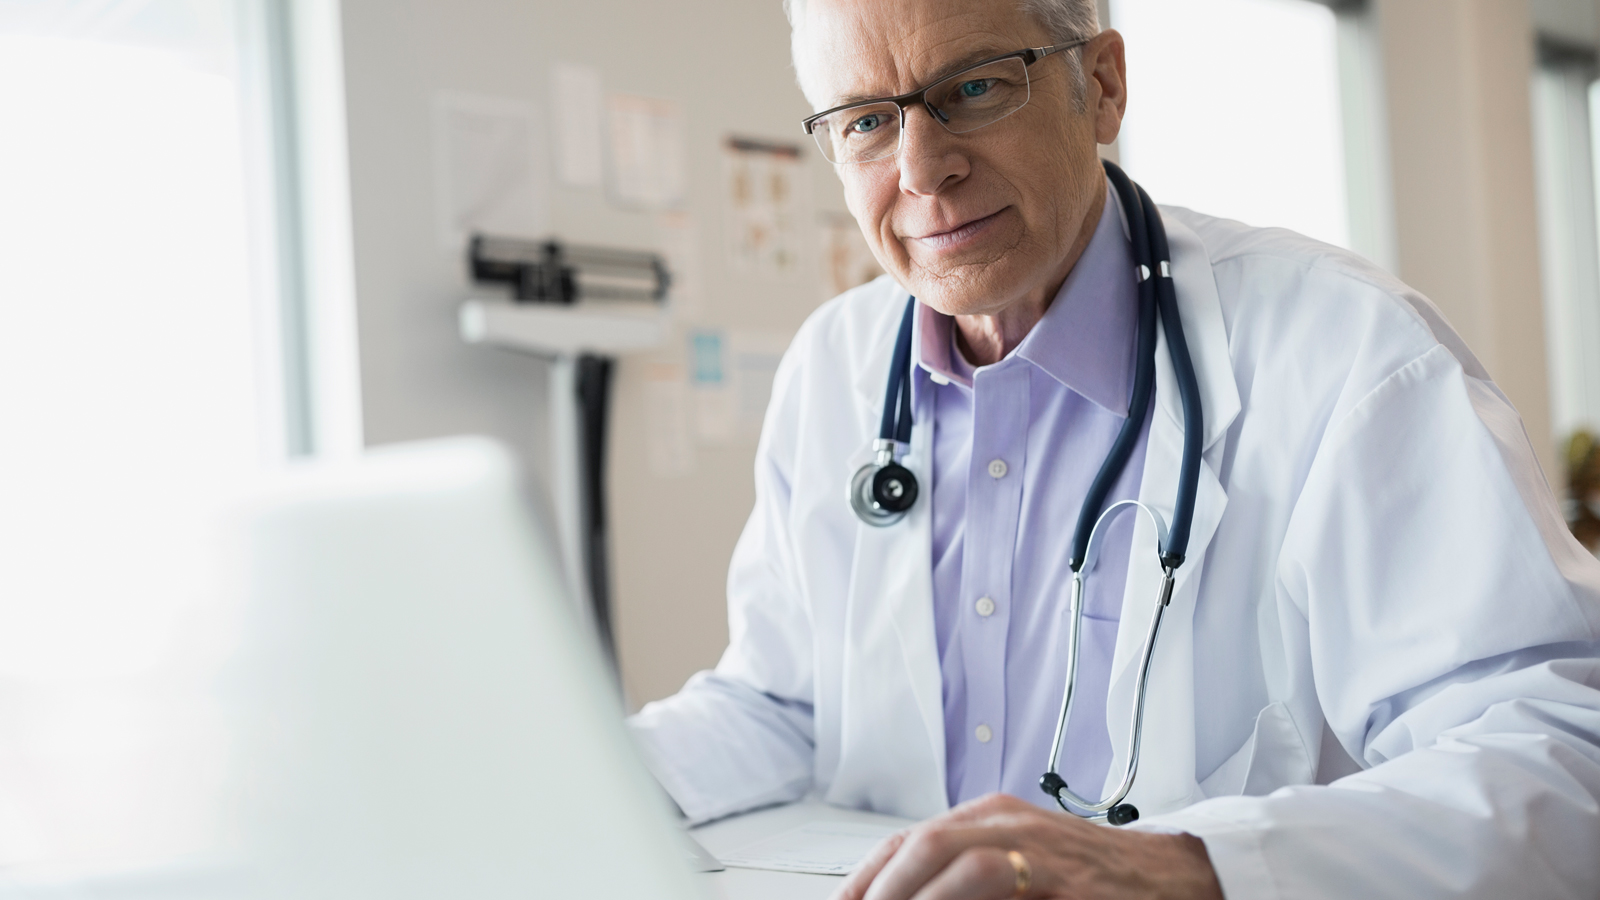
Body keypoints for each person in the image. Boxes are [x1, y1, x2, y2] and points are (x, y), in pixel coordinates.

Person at [628, 0, 1600, 896]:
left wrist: (1192, 866)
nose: (922, 169)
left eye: (972, 88)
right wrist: (551, 769)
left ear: (1101, 86)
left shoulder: (1345, 351)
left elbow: (1554, 752)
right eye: (865, 121)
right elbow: (780, 701)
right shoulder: (830, 368)